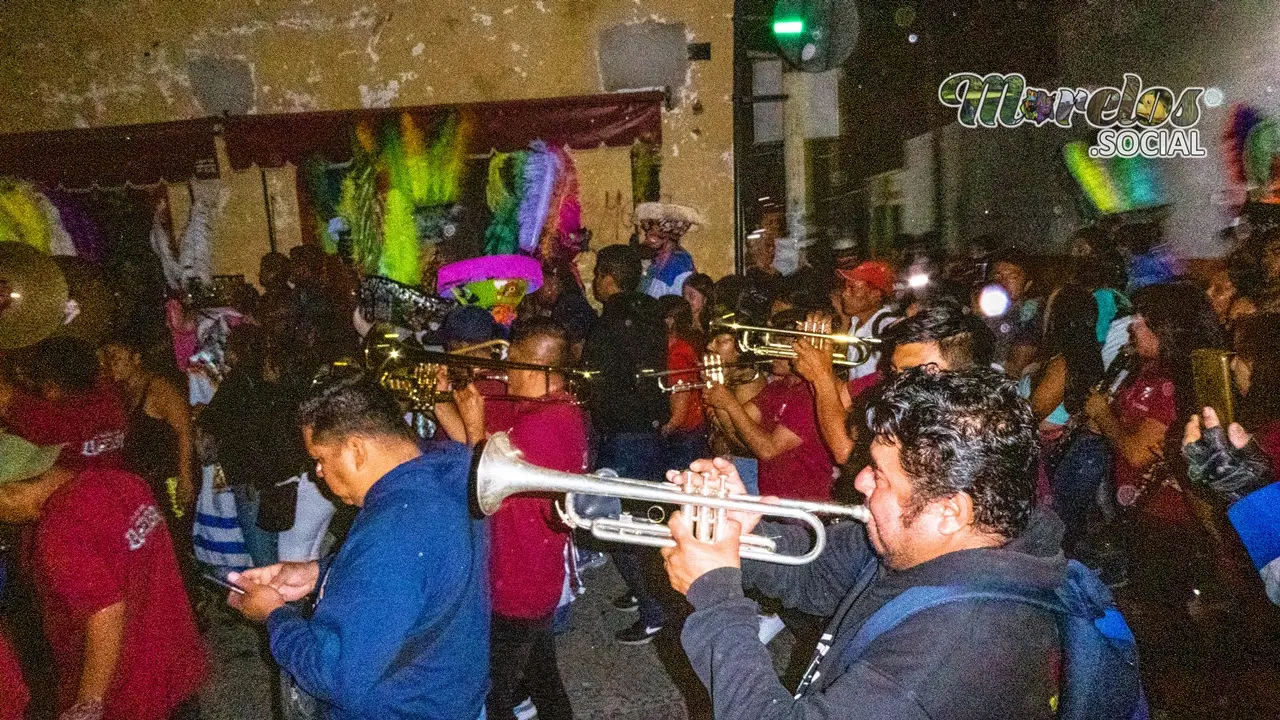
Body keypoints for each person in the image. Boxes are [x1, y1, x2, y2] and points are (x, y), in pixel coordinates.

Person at [661, 367, 1087, 719]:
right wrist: (743, 533)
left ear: (950, 511)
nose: (860, 480)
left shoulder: (952, 654)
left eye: (880, 475)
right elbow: (818, 576)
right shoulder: (935, 541)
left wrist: (716, 597)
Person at [226, 369, 489, 719]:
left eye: (320, 458)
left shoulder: (392, 536)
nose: (317, 472)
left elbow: (335, 676)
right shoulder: (451, 468)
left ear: (356, 450)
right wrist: (318, 573)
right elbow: (422, 580)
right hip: (452, 698)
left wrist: (274, 615)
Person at [0, 433, 206, 720]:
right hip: (175, 664)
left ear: (10, 491)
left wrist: (88, 704)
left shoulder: (59, 530)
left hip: (127, 693)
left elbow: (105, 612)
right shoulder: (123, 481)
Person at [444, 319, 587, 720]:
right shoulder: (541, 410)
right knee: (543, 677)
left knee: (491, 694)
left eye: (515, 363)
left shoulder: (545, 424)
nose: (505, 371)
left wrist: (474, 426)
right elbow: (475, 445)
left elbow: (483, 481)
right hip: (526, 572)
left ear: (539, 368)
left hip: (520, 576)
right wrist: (441, 398)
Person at [1083, 281, 1225, 598]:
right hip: (1141, 510)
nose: (1134, 325)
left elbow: (1137, 452)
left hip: (1167, 518)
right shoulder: (1148, 368)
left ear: (1170, 329)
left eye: (1145, 320)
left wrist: (1103, 415)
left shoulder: (1173, 381)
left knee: (1158, 607)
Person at [581, 244, 671, 644]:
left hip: (621, 433)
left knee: (619, 526)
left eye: (597, 274)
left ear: (608, 276)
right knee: (639, 520)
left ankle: (655, 611)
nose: (594, 282)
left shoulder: (610, 322)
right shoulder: (650, 316)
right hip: (645, 430)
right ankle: (647, 594)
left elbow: (593, 379)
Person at [704, 309, 835, 502]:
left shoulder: (809, 394)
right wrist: (718, 391)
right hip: (772, 501)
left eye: (778, 345)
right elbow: (734, 431)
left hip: (801, 507)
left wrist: (728, 403)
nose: (768, 351)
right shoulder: (777, 388)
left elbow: (768, 450)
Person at [99, 334, 197, 520]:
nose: (111, 364)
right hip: (147, 480)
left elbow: (184, 430)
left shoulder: (159, 389)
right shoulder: (125, 392)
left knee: (178, 528)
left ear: (136, 358)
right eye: (108, 358)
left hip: (170, 477)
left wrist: (185, 477)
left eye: (116, 357)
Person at [0, 336, 128, 470]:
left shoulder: (56, 427)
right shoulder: (107, 397)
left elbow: (53, 430)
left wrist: (11, 400)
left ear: (51, 389)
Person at [656, 295, 710, 470]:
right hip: (688, 433)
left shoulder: (677, 354)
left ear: (670, 321)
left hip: (685, 436)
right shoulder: (678, 348)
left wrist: (660, 432)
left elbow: (679, 412)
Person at [982, 247, 1041, 377]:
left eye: (1012, 278)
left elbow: (1015, 369)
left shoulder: (1028, 316)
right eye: (997, 276)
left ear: (1027, 285)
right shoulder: (978, 307)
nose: (1003, 283)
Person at [834, 260, 899, 379]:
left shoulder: (886, 327)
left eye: (852, 288)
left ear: (875, 295)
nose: (844, 294)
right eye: (845, 287)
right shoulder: (855, 321)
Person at [635, 202, 701, 298]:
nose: (646, 241)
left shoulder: (679, 267)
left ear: (666, 238)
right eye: (647, 236)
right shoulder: (656, 262)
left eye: (652, 236)